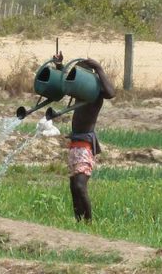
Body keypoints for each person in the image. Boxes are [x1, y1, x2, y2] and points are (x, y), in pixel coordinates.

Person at [65, 57, 115, 223]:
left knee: (80, 186)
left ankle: (89, 223)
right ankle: (79, 223)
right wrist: (59, 65)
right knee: (74, 189)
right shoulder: (80, 95)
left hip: (85, 146)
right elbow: (63, 85)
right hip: (74, 145)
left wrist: (98, 68)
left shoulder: (95, 94)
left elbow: (111, 93)